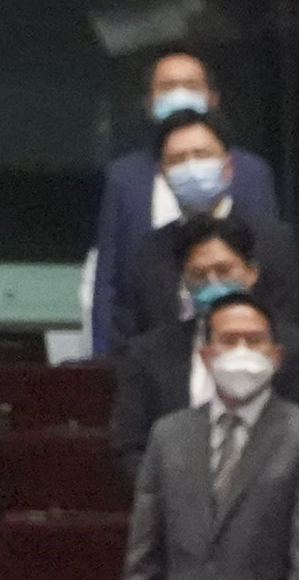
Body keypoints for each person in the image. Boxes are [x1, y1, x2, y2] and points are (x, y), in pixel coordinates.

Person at [122, 295, 299, 580]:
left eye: (255, 340)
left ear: (276, 355)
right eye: (228, 340)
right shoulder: (168, 434)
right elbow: (143, 558)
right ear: (206, 356)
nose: (242, 350)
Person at [103, 218, 299, 485]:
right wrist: (179, 497)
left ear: (252, 273)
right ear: (184, 282)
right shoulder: (147, 354)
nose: (212, 282)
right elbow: (129, 447)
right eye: (198, 275)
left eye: (224, 270)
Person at [87, 53, 287, 357]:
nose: (179, 94)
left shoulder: (253, 172)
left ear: (212, 97)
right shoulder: (124, 178)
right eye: (167, 86)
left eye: (190, 84)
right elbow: (111, 282)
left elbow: (272, 261)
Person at [110, 116, 299, 358]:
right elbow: (131, 338)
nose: (191, 167)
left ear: (228, 167)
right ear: (162, 174)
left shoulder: (275, 242)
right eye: (178, 160)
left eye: (202, 155)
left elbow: (288, 330)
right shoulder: (147, 251)